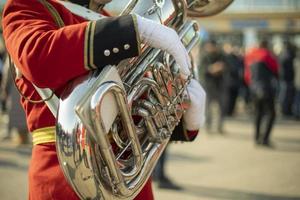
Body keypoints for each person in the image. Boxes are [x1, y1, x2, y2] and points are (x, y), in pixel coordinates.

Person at [2, 0, 206, 199]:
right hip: (66, 174)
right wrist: (131, 30)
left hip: (129, 177)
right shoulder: (29, 5)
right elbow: (38, 58)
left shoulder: (112, 20)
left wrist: (183, 113)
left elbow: (136, 108)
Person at [244, 40, 279, 147]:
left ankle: (256, 138)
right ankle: (265, 139)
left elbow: (247, 75)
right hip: (266, 89)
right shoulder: (267, 55)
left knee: (258, 113)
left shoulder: (250, 55)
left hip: (254, 88)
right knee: (271, 114)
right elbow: (276, 70)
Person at [200, 39, 227, 133]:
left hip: (220, 84)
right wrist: (212, 68)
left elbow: (227, 67)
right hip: (208, 85)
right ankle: (208, 126)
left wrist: (219, 68)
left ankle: (220, 127)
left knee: (221, 107)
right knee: (208, 107)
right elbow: (202, 70)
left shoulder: (221, 56)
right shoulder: (204, 56)